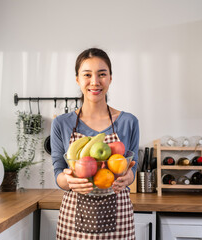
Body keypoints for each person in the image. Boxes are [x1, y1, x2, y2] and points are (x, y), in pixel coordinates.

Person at [51, 48, 139, 239]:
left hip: (119, 220)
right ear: (77, 79)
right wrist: (69, 181)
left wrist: (129, 177)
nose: (95, 82)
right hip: (74, 221)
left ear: (110, 78)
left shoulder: (128, 122)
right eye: (87, 75)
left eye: (102, 74)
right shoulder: (61, 123)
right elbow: (58, 171)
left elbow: (133, 166)